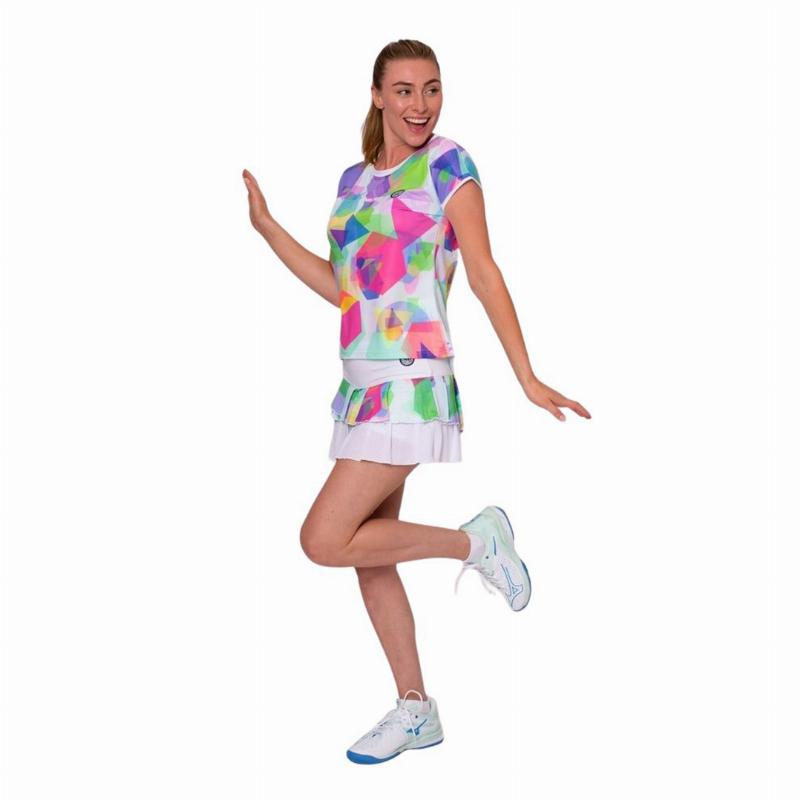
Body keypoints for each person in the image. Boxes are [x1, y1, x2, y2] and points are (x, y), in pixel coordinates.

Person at [242, 39, 591, 766]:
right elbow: (346, 290)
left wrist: (526, 376)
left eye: (432, 89)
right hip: (359, 387)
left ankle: (476, 542)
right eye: (404, 90)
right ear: (377, 95)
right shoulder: (354, 180)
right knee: (369, 556)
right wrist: (270, 230)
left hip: (412, 381)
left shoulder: (449, 167)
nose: (420, 105)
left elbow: (484, 271)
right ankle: (415, 710)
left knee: (322, 539)